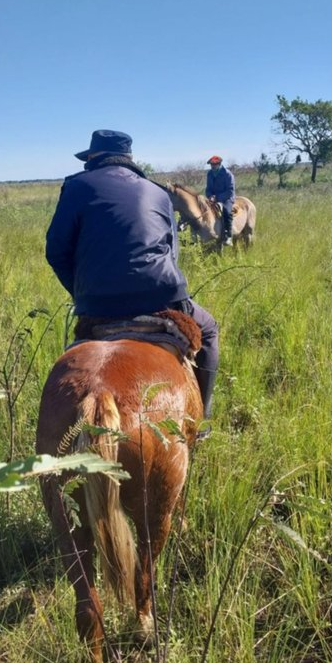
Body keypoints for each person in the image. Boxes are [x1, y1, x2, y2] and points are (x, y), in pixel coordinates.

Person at [46, 129, 219, 438]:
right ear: (128, 158)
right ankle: (202, 420)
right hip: (160, 295)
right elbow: (172, 253)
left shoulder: (75, 187)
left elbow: (56, 251)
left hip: (97, 303)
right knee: (208, 330)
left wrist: (82, 294)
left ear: (93, 157)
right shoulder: (157, 192)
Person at [205, 155, 235, 246]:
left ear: (219, 164)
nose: (213, 166)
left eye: (215, 164)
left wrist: (217, 197)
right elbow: (208, 189)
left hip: (226, 198)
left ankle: (228, 236)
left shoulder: (227, 174)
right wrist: (210, 196)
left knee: (227, 211)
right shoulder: (210, 174)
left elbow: (230, 191)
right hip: (213, 198)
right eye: (211, 164)